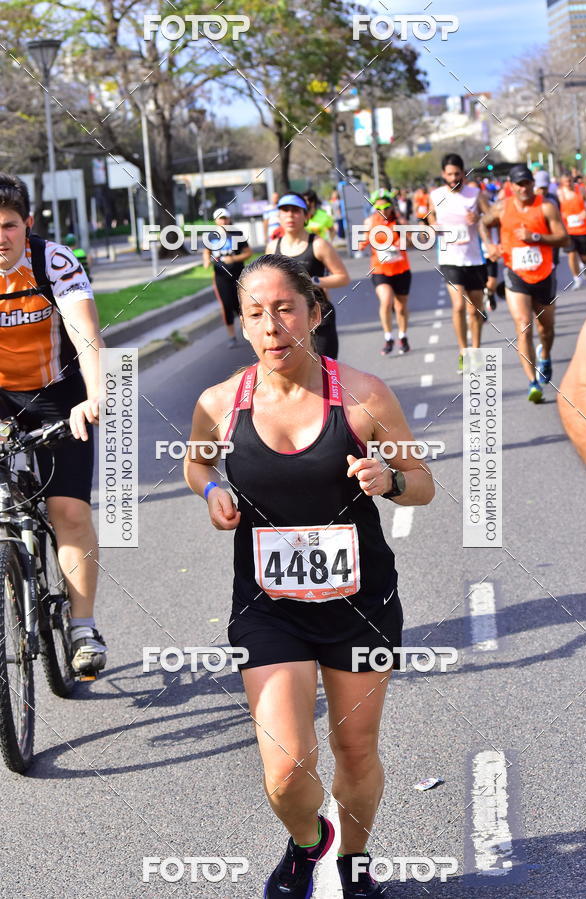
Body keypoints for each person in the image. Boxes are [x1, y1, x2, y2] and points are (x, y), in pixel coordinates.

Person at [184, 253, 435, 899]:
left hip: (360, 604)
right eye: (256, 313)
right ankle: (306, 842)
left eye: (285, 308)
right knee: (286, 766)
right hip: (269, 608)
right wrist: (211, 489)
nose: (272, 325)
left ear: (315, 314)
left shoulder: (362, 395)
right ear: (243, 326)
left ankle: (354, 860)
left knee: (354, 750)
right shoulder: (219, 403)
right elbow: (196, 464)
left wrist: (391, 479)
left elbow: (423, 484)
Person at [0, 172, 106, 676]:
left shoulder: (53, 261)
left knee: (68, 509)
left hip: (58, 395)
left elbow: (86, 334)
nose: (0, 237)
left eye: (9, 225)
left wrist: (96, 399)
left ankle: (83, 625)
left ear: (27, 225)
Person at [480, 164, 569, 403]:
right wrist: (489, 245)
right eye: (519, 184)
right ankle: (533, 382)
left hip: (544, 275)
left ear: (532, 183)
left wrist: (536, 237)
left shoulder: (546, 206)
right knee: (523, 325)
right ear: (511, 185)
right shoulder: (501, 207)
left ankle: (546, 356)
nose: (524, 188)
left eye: (527, 183)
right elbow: (482, 224)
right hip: (515, 274)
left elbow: (563, 238)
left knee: (546, 329)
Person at [427, 153, 491, 373]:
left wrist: (479, 219)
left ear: (463, 173)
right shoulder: (435, 195)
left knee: (475, 310)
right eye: (449, 174)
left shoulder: (475, 194)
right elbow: (430, 216)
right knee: (458, 305)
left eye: (457, 174)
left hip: (474, 259)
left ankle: (475, 350)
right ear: (443, 175)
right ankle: (463, 351)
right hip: (449, 259)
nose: (453, 178)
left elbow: (492, 217)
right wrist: (433, 224)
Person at [266, 192, 349, 359]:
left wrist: (313, 281)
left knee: (323, 371)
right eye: (285, 210)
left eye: (296, 210)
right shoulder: (272, 247)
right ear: (279, 216)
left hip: (318, 316)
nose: (290, 215)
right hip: (286, 321)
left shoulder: (318, 245)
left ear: (306, 216)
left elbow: (343, 277)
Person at [360, 189, 412, 355]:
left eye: (386, 207)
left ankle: (402, 336)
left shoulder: (399, 221)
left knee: (401, 307)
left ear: (392, 206)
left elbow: (411, 241)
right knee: (386, 301)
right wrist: (367, 238)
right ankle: (388, 337)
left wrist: (400, 242)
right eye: (378, 207)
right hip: (380, 269)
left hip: (401, 268)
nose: (383, 211)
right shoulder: (370, 222)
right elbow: (361, 244)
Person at [557, 301, 586, 477]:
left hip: (543, 281)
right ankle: (471, 355)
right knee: (524, 324)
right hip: (521, 278)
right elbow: (578, 389)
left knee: (546, 328)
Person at [203, 207, 252, 348]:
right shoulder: (211, 236)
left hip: (238, 275)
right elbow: (207, 252)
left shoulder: (237, 234)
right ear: (216, 221)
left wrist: (235, 258)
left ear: (229, 219)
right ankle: (231, 336)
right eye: (220, 218)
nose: (223, 221)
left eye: (225, 218)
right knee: (226, 306)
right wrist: (206, 260)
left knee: (242, 305)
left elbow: (248, 253)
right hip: (220, 277)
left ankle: (249, 332)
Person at [557, 172, 586, 290]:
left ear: (573, 180)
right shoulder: (559, 193)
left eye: (570, 181)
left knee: (584, 257)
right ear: (562, 183)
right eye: (566, 182)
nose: (569, 184)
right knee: (571, 254)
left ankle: (583, 265)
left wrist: (585, 211)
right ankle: (576, 278)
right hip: (568, 230)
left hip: (582, 229)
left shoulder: (581, 190)